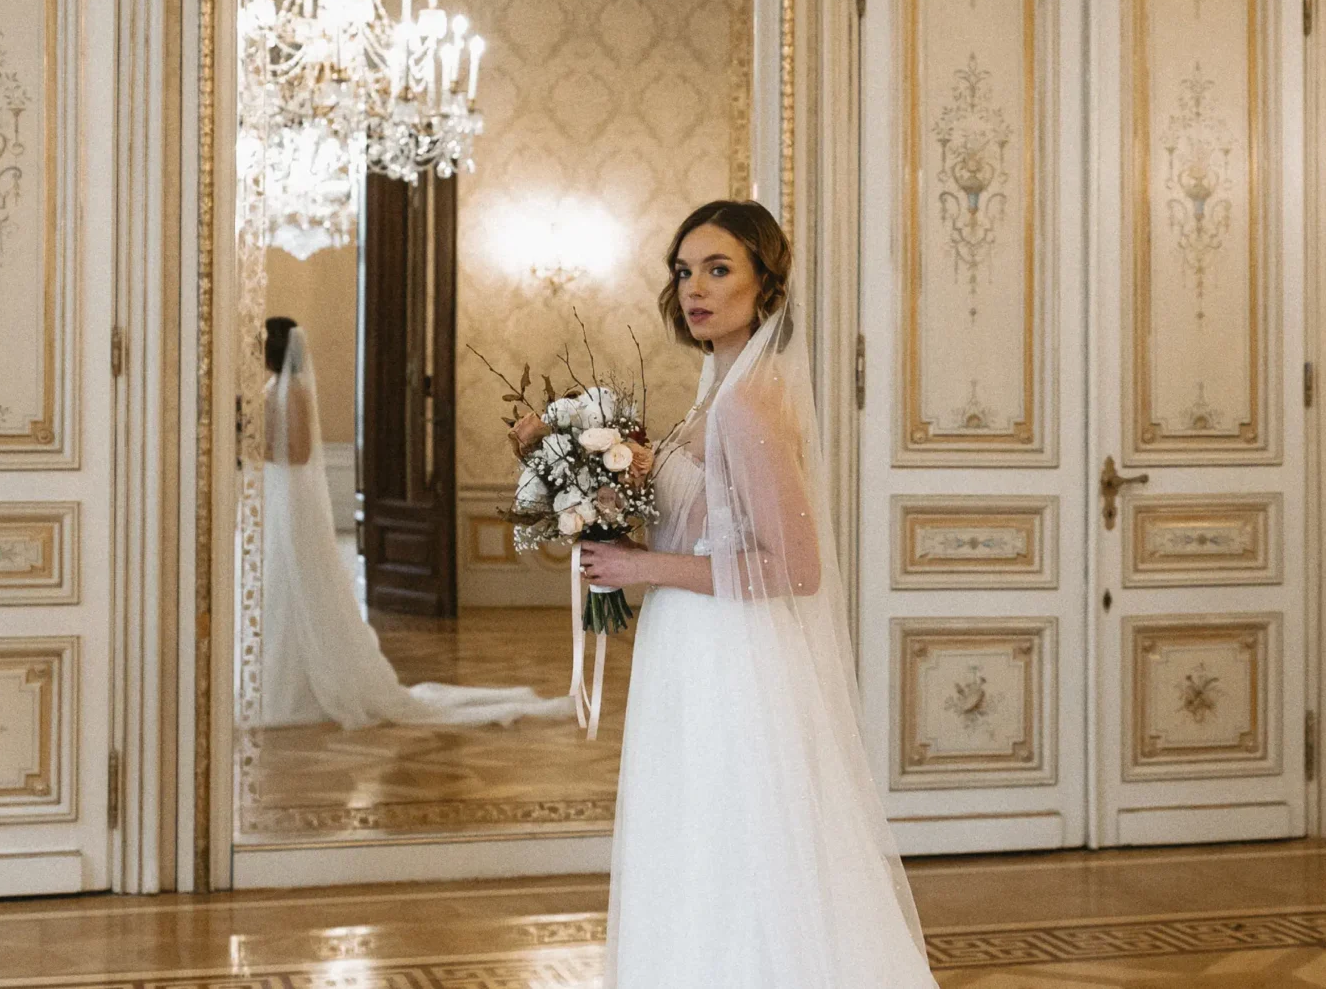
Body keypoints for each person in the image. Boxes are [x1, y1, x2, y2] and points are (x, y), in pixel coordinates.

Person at [577, 202, 938, 985]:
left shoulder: (748, 400)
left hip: (732, 655)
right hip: (695, 642)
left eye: (719, 269)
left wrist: (640, 570)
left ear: (765, 285)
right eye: (684, 271)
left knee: (736, 843)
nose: (696, 289)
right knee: (702, 837)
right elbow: (717, 519)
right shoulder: (722, 386)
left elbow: (793, 567)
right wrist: (607, 483)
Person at [257, 316, 574, 731]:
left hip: (290, 497)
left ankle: (302, 679)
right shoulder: (271, 388)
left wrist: (252, 446)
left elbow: (296, 454)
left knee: (295, 576)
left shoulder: (294, 391)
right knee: (276, 579)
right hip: (276, 495)